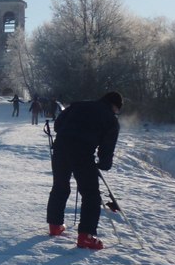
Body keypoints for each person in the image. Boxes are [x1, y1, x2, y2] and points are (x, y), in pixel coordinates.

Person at [46, 91, 122, 250]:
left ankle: (55, 225)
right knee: (91, 194)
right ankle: (86, 236)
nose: (117, 112)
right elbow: (107, 148)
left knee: (60, 186)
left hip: (60, 149)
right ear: (114, 106)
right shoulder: (110, 119)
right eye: (118, 109)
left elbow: (58, 125)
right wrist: (103, 164)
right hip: (82, 154)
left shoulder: (78, 105)